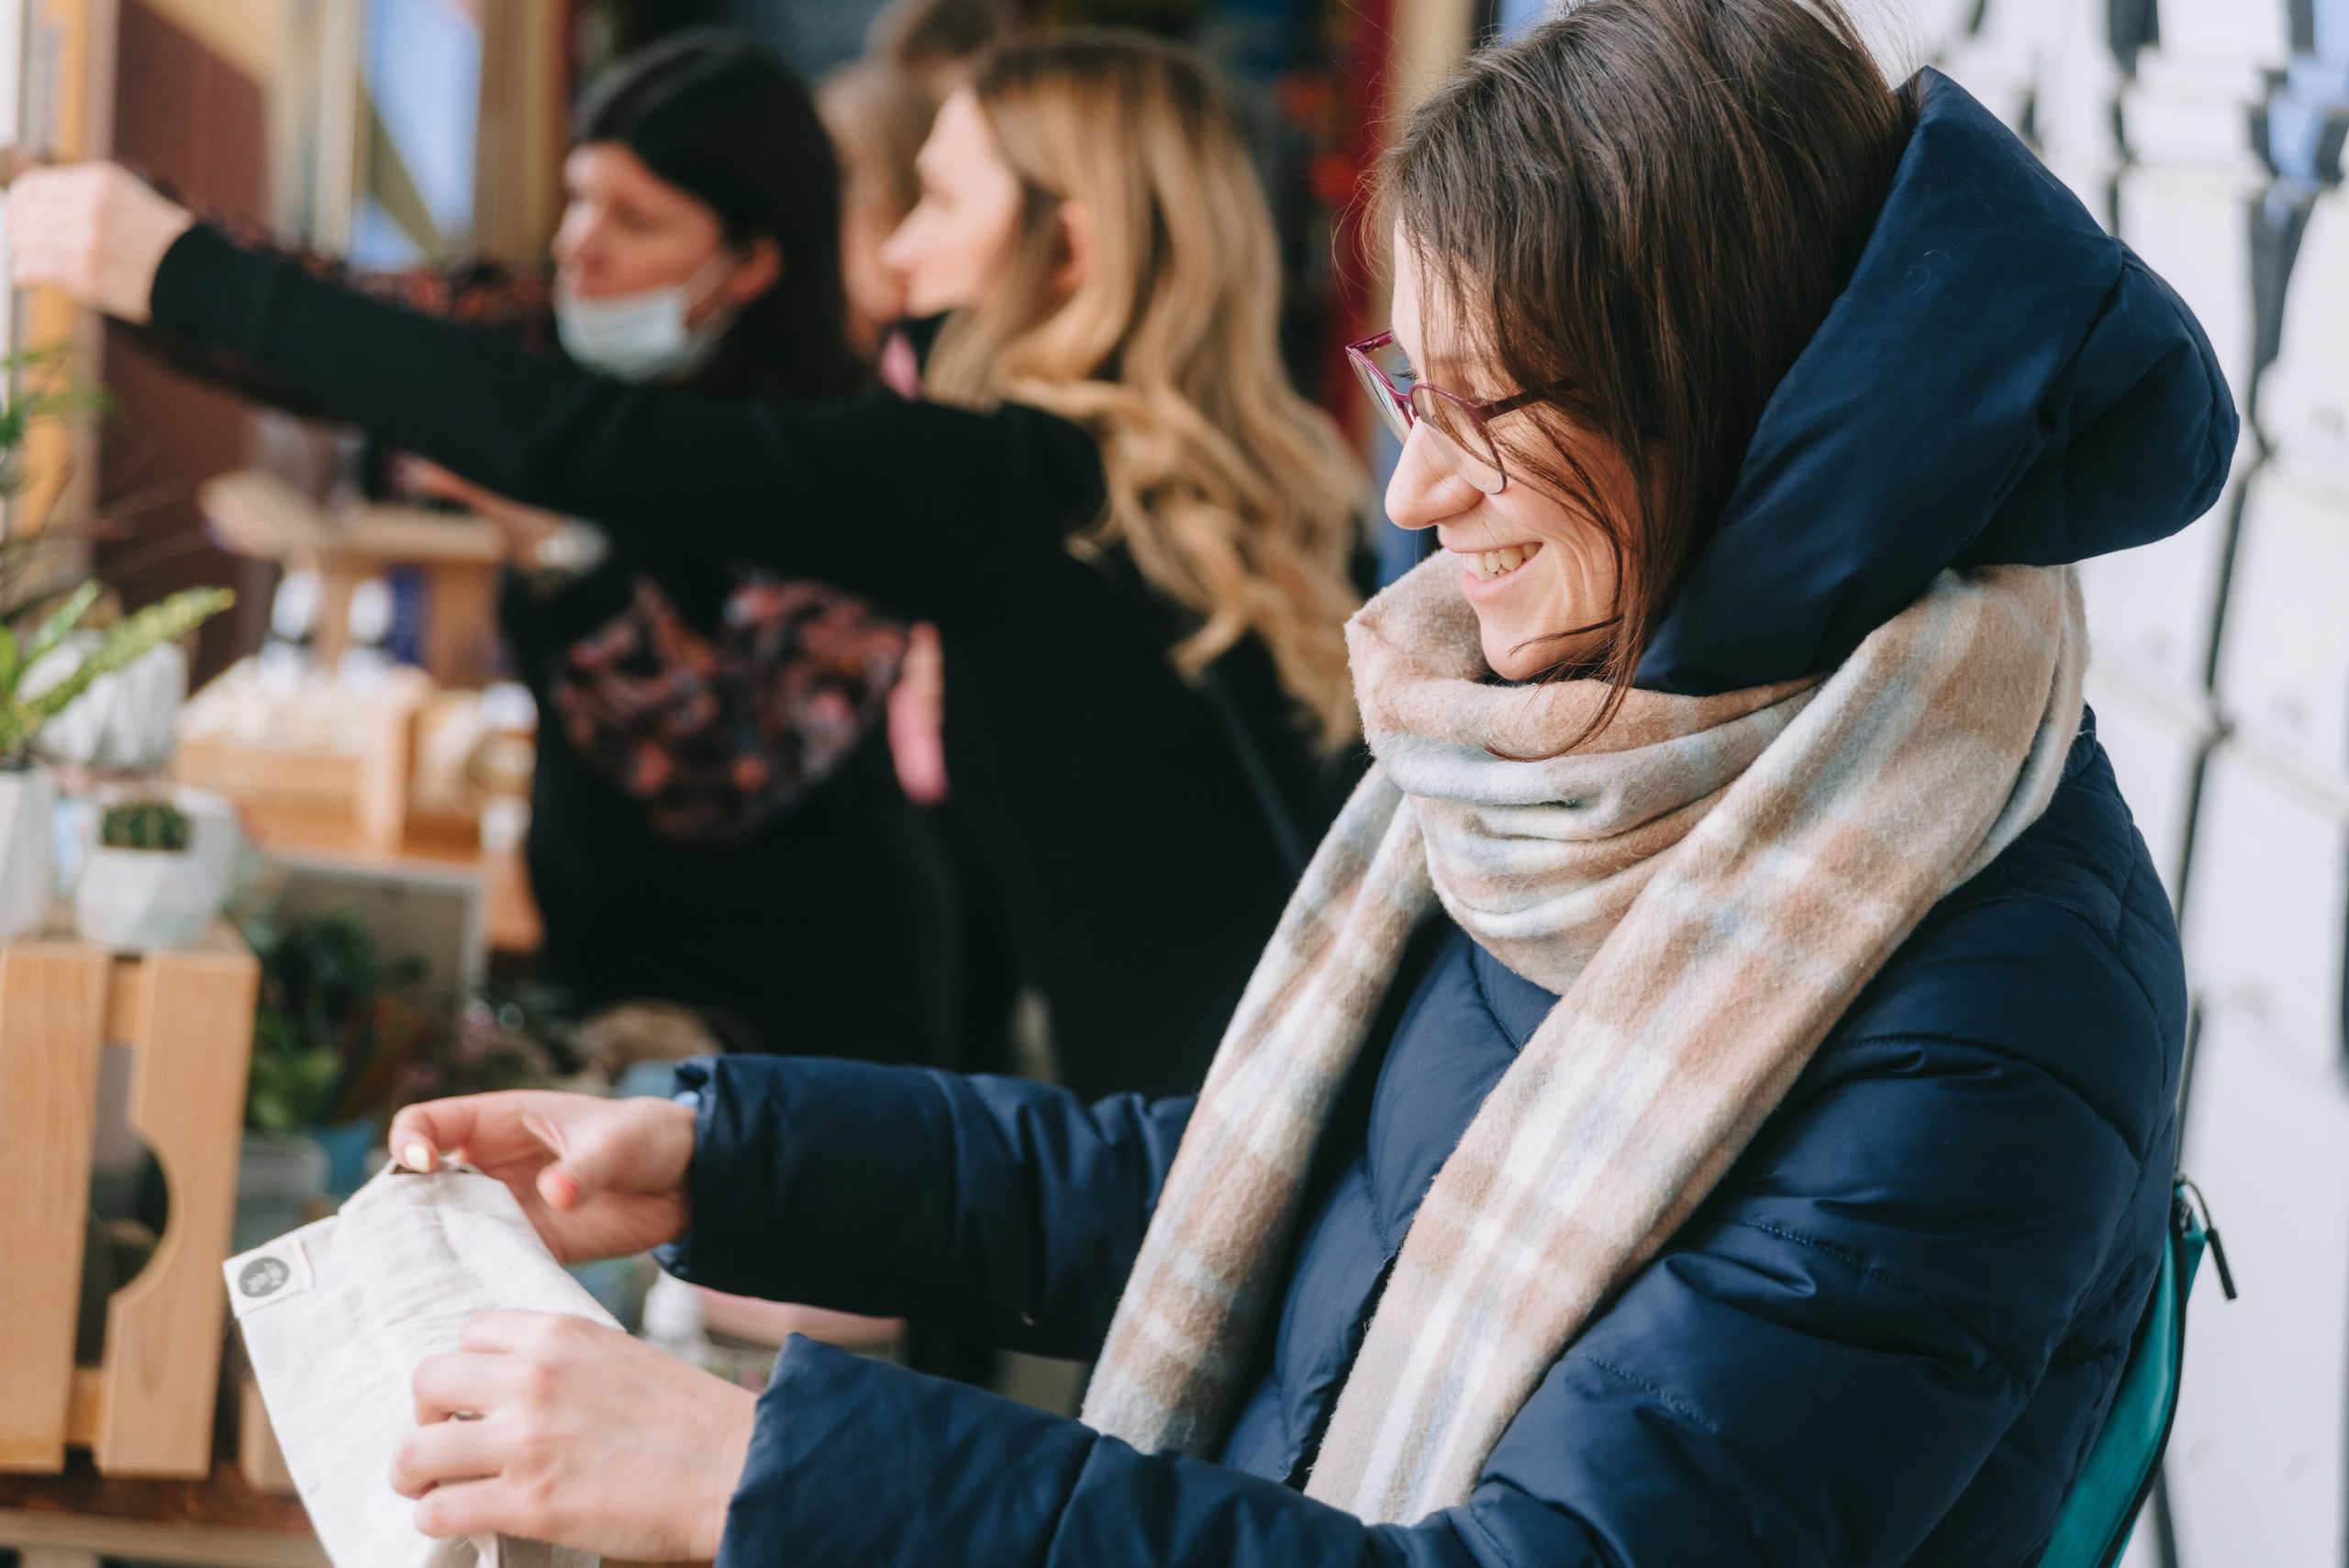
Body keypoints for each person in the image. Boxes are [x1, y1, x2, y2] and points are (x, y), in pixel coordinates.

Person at [17, 31, 1370, 1102]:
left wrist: (173, 264)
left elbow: (582, 440)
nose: (894, 255)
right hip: (1285, 1109)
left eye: (940, 203)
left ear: (1069, 248)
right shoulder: (1223, 489)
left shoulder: (1003, 478)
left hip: (1195, 1144)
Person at [128, 32, 965, 1065]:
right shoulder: (537, 337)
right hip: (599, 960)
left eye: (636, 220)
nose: (581, 245)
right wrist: (121, 237)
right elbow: (321, 325)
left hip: (808, 1019)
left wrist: (552, 543)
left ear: (752, 260)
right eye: (579, 199)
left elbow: (715, 764)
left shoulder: (847, 458)